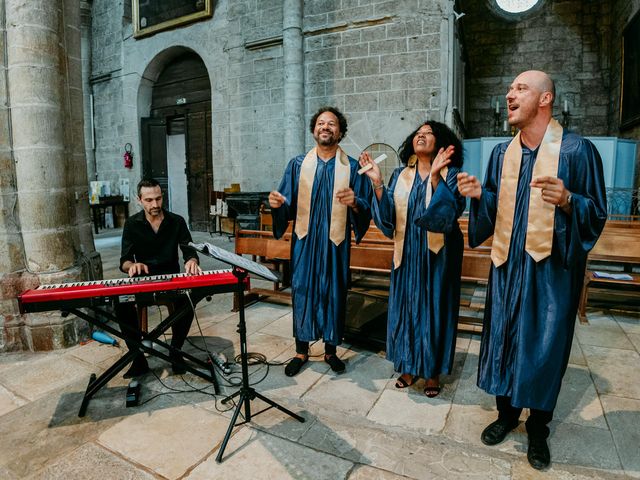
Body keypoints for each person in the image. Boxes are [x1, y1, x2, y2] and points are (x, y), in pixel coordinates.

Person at [457, 70, 607, 469]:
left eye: (520, 88)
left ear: (545, 99)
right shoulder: (500, 154)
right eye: (509, 88)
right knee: (504, 338)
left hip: (551, 273)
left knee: (544, 346)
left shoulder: (577, 151)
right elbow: (492, 208)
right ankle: (506, 414)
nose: (509, 94)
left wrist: (570, 199)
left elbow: (597, 216)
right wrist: (478, 196)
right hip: (507, 268)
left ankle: (538, 427)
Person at [359, 121, 465, 397]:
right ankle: (407, 366)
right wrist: (378, 185)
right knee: (406, 311)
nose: (421, 135)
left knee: (434, 311)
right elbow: (387, 221)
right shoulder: (399, 175)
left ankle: (431, 372)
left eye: (429, 133)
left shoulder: (452, 174)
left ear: (441, 143)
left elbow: (449, 215)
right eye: (419, 132)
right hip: (406, 257)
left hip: (438, 258)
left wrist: (435, 179)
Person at [269, 106, 372, 376]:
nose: (326, 127)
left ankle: (330, 351)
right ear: (314, 129)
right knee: (302, 292)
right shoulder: (297, 164)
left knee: (334, 293)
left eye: (332, 124)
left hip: (335, 244)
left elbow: (364, 205)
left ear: (340, 131)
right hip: (305, 242)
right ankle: (301, 351)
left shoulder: (351, 167)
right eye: (321, 123)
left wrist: (356, 204)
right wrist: (278, 205)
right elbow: (286, 202)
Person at [117, 178, 202, 378]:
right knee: (120, 304)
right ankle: (138, 358)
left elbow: (189, 250)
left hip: (171, 279)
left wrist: (192, 260)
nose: (155, 205)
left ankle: (175, 351)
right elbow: (124, 261)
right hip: (143, 281)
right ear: (139, 200)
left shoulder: (177, 221)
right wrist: (133, 265)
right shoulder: (131, 224)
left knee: (190, 298)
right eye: (149, 200)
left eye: (158, 198)